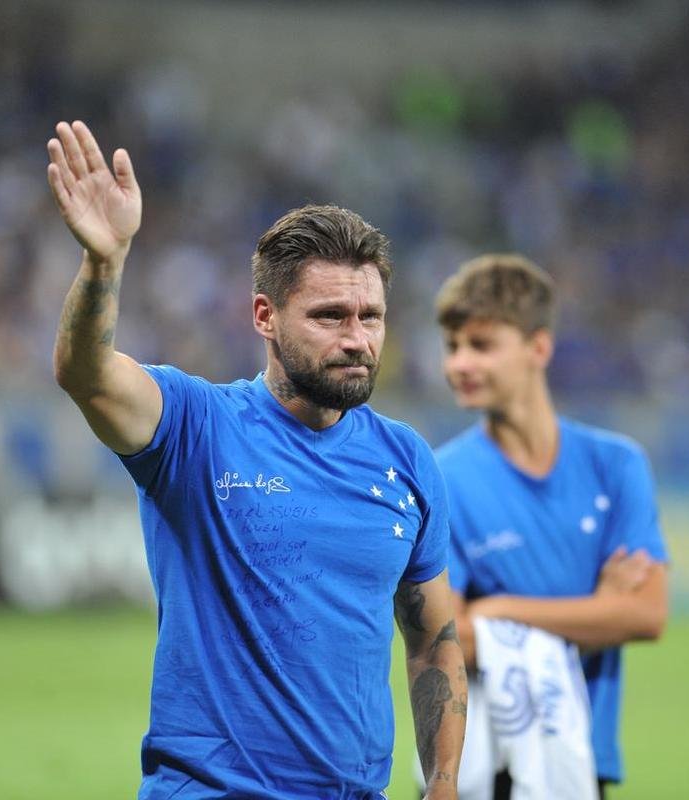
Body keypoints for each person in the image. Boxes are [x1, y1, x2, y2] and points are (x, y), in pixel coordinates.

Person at [45, 120, 466, 799]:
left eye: (371, 316)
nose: (357, 338)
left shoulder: (406, 460)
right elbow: (85, 374)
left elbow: (434, 640)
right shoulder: (196, 426)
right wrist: (104, 262)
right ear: (264, 316)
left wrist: (443, 785)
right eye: (329, 316)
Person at [432, 254, 668, 798]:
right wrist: (597, 611)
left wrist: (497, 610)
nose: (459, 363)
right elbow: (448, 640)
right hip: (487, 767)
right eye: (452, 346)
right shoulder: (441, 479)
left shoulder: (616, 464)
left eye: (481, 344)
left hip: (582, 760)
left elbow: (646, 613)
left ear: (538, 348)